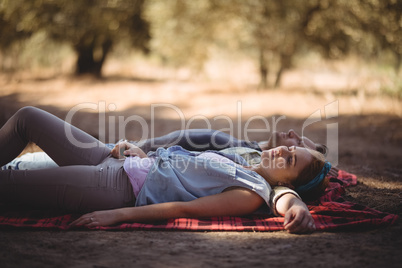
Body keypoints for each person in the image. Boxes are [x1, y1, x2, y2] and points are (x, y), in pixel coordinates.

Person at [0, 107, 331, 234]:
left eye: (289, 160)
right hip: (116, 157)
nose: (282, 149)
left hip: (115, 186)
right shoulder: (245, 156)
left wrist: (118, 215)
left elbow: (182, 209)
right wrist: (142, 150)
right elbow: (176, 153)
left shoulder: (250, 192)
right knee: (27, 117)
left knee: (8, 181)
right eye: (289, 148)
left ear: (289, 183)